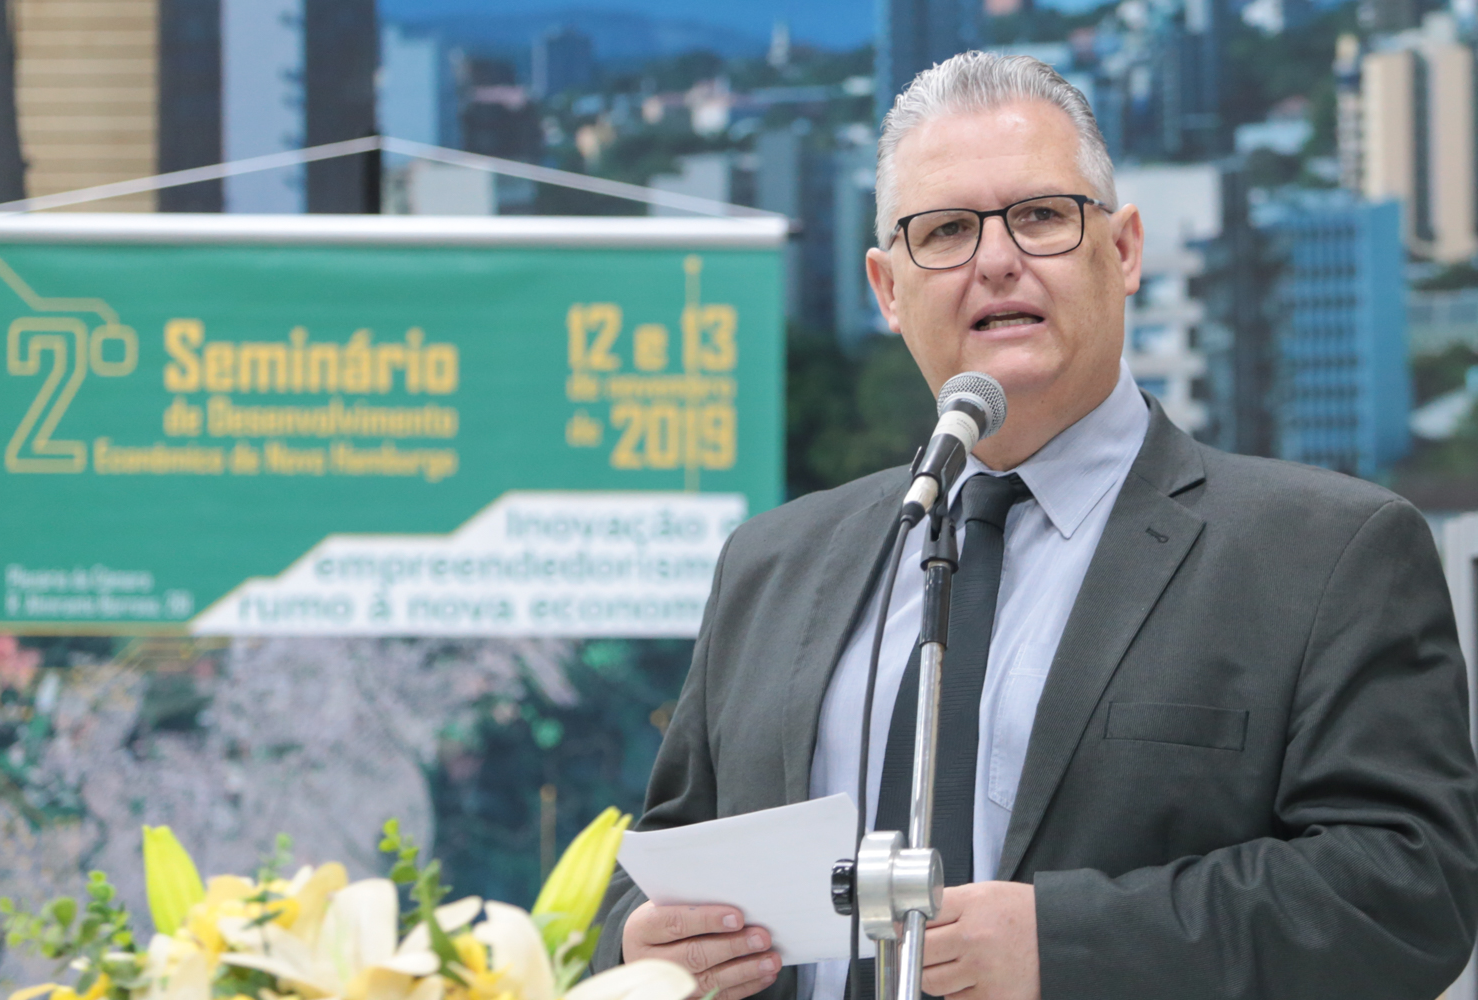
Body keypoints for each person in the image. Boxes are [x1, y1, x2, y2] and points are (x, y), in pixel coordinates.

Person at [592, 52, 1478, 1000]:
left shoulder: (1326, 554)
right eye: (945, 230)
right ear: (887, 290)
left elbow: (1409, 892)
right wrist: (642, 946)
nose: (996, 260)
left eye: (1042, 216)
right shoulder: (772, 564)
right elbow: (656, 872)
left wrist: (1065, 945)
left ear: (1124, 250)